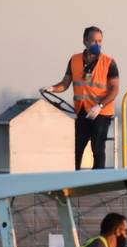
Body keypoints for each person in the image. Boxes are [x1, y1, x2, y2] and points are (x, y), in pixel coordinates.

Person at [40, 26, 119, 170]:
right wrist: (52, 89)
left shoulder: (109, 62)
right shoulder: (75, 60)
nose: (97, 44)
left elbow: (114, 90)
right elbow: (65, 84)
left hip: (100, 113)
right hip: (82, 111)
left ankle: (97, 182)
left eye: (100, 41)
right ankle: (74, 181)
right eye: (94, 40)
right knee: (76, 149)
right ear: (85, 41)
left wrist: (99, 106)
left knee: (97, 150)